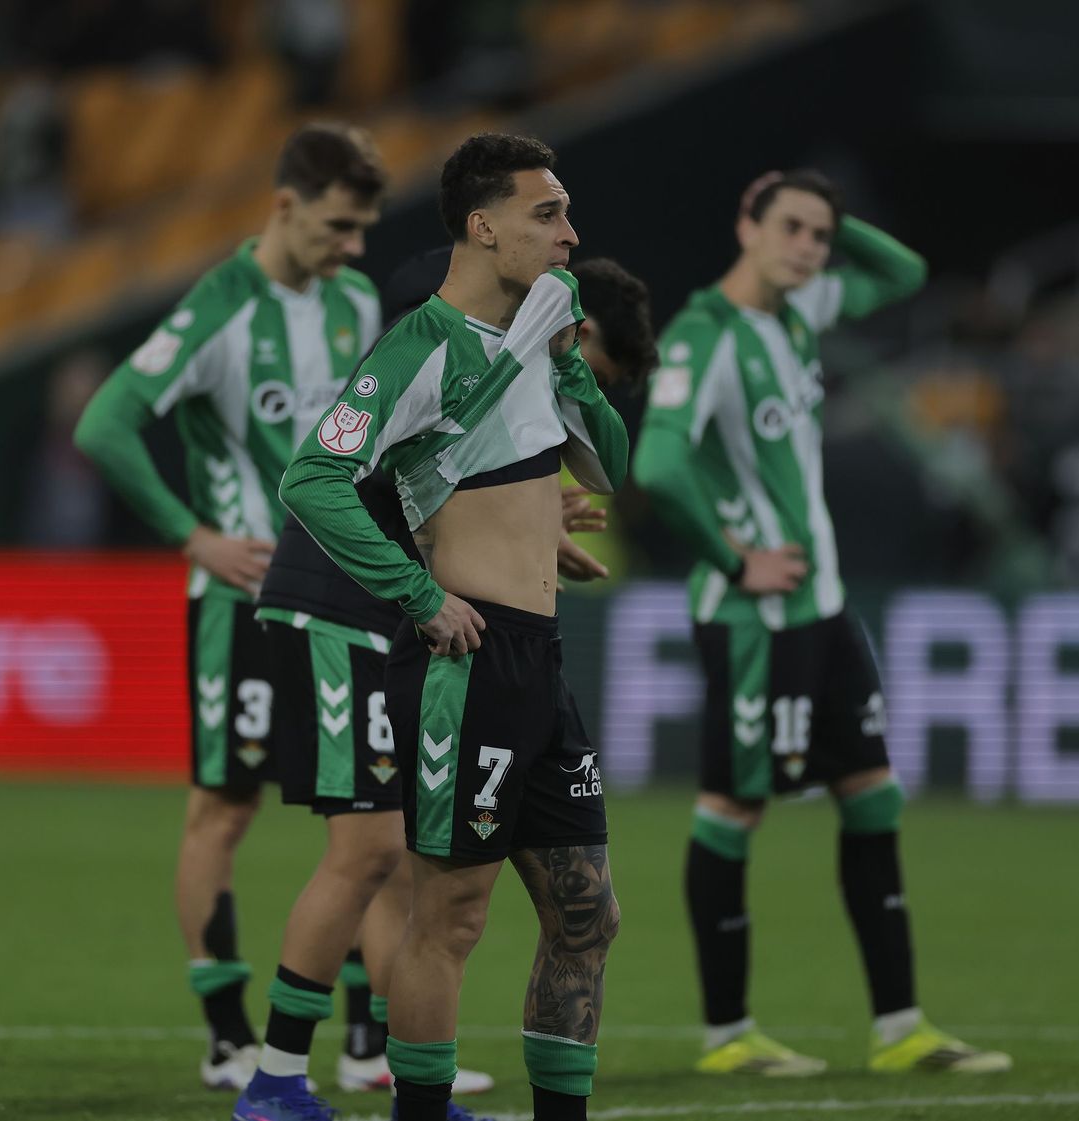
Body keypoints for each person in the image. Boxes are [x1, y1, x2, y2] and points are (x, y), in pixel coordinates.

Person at [233, 254, 652, 1118]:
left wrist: (528, 523)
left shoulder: (529, 359)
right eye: (547, 214)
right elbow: (361, 468)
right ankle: (280, 1075)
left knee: (540, 899)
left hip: (484, 635)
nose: (565, 236)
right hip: (353, 609)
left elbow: (504, 467)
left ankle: (365, 1050)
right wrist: (430, 584)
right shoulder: (440, 336)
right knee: (373, 854)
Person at [632, 169, 1011, 1076]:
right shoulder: (704, 335)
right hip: (754, 617)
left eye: (820, 235)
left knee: (873, 793)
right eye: (791, 227)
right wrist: (735, 559)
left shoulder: (798, 310)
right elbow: (657, 464)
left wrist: (832, 219)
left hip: (824, 607)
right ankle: (728, 1034)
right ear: (746, 225)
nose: (808, 248)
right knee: (735, 805)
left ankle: (902, 1027)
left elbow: (906, 273)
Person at [72, 122, 385, 1090]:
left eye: (363, 229)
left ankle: (369, 1045)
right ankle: (225, 1035)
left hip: (345, 597)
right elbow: (106, 423)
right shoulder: (219, 306)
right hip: (242, 601)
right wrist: (191, 532)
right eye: (337, 226)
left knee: (373, 811)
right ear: (285, 205)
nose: (354, 247)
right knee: (224, 807)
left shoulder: (356, 301)